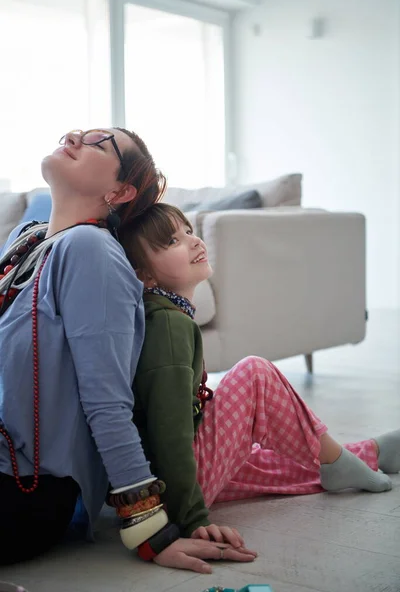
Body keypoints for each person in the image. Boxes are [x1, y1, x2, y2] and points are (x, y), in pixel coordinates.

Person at [0, 129, 257, 573]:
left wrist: (150, 528)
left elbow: (107, 400)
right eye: (78, 131)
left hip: (23, 490)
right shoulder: (27, 240)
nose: (76, 135)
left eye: (101, 143)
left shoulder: (91, 251)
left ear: (120, 191)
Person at [122, 202, 400, 543]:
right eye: (173, 242)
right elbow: (170, 435)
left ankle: (368, 454)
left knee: (266, 461)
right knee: (254, 372)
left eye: (189, 232)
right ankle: (338, 458)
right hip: (175, 489)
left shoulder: (166, 316)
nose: (194, 242)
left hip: (169, 486)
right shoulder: (167, 323)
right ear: (145, 276)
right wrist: (191, 518)